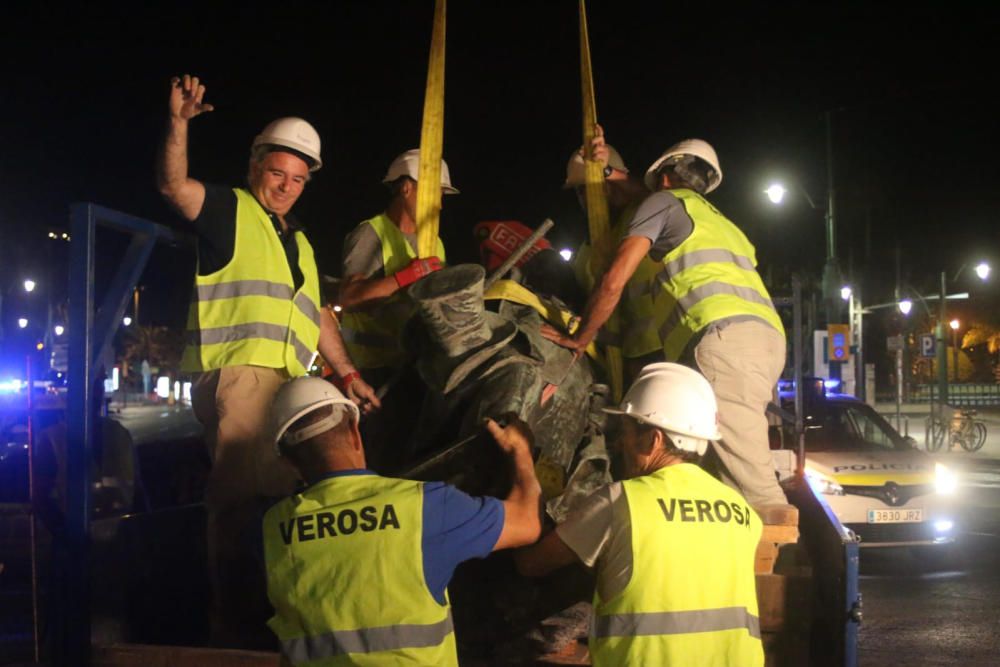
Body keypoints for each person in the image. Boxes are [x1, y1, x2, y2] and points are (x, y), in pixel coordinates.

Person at [156, 73, 379, 645]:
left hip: (287, 384)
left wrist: (348, 374)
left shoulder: (299, 243)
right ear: (255, 165)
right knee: (238, 506)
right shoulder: (228, 209)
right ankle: (234, 631)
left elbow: (317, 316)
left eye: (297, 179)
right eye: (277, 173)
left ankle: (273, 620)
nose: (286, 186)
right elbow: (175, 188)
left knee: (285, 504)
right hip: (240, 377)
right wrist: (179, 123)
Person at [543, 137, 789, 511]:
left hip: (719, 338)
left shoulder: (661, 204)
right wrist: (609, 169)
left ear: (663, 177)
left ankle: (772, 560)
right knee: (716, 462)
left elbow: (613, 281)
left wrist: (580, 338)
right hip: (766, 339)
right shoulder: (721, 222)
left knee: (755, 489)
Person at [263, 376, 542, 666]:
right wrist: (520, 452)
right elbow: (528, 523)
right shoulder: (425, 507)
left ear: (290, 463)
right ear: (355, 433)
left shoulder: (273, 528)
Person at [516, 363, 764, 667]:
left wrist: (522, 466)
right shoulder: (742, 511)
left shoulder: (621, 501)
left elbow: (532, 564)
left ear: (654, 440)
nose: (620, 445)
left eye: (626, 432)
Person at [338, 149, 459, 375]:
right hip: (372, 371)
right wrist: (407, 277)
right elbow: (350, 298)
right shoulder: (371, 234)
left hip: (419, 367)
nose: (440, 205)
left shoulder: (436, 243)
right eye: (435, 193)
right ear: (406, 188)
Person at [565, 127, 662, 382]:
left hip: (664, 349)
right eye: (580, 190)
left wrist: (608, 171)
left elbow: (655, 196)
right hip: (619, 360)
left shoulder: (645, 216)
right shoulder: (586, 252)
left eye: (593, 186)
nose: (587, 196)